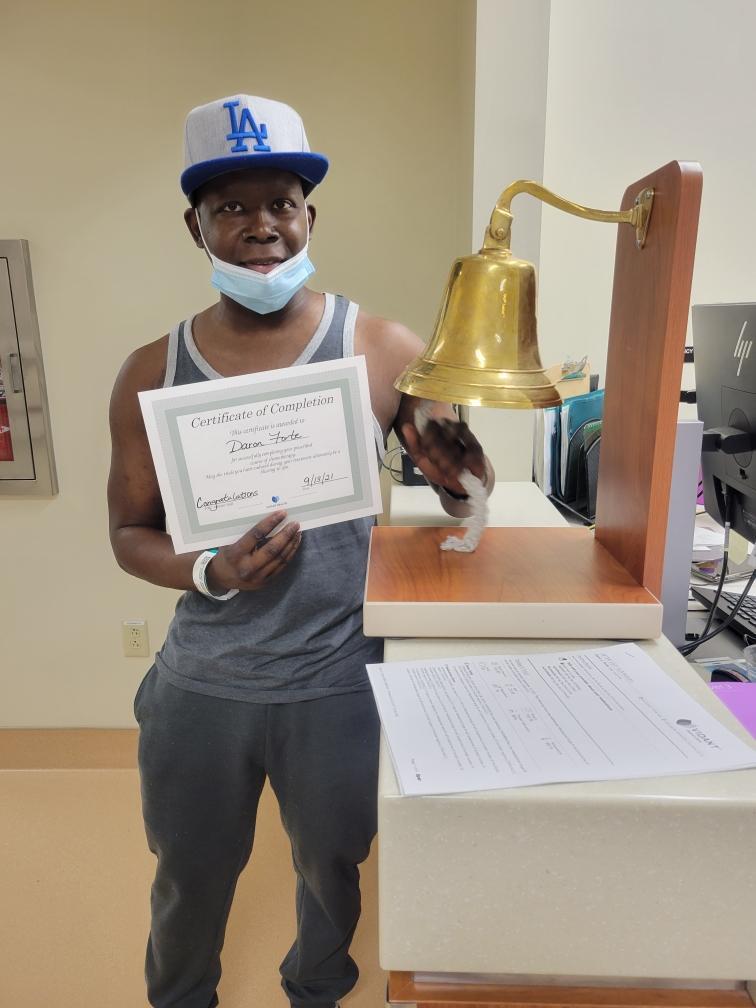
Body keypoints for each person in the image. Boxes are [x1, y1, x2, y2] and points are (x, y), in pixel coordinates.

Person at [108, 94, 493, 1008]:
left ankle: (316, 990)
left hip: (336, 680)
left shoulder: (380, 346)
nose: (261, 227)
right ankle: (180, 996)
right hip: (204, 683)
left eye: (280, 202)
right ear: (194, 225)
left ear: (309, 215)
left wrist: (449, 457)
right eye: (231, 207)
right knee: (190, 877)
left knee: (333, 872)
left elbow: (461, 490)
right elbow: (129, 534)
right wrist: (211, 569)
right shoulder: (149, 372)